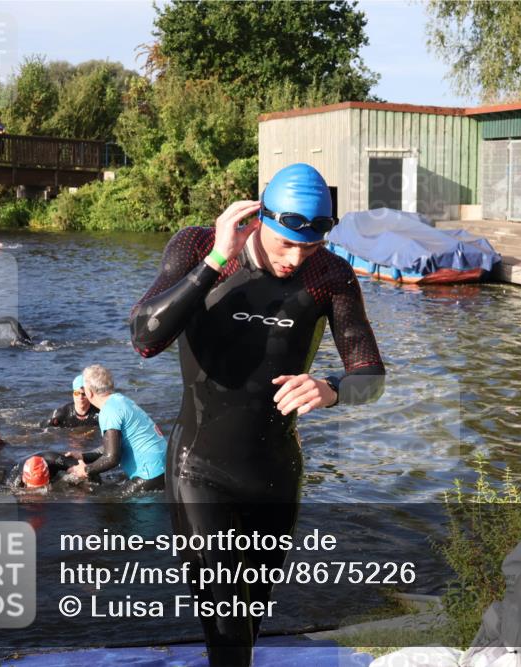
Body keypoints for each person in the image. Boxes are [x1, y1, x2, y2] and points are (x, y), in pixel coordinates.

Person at [130, 163, 385, 666]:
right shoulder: (197, 246)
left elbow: (371, 375)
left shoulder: (328, 275)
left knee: (250, 610)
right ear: (260, 217)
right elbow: (145, 338)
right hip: (198, 466)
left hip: (274, 472)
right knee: (222, 612)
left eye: (307, 247)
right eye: (285, 243)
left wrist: (331, 388)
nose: (294, 259)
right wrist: (215, 259)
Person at [65, 365, 166, 495]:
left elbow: (112, 458)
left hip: (150, 474)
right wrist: (83, 456)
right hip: (165, 466)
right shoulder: (121, 400)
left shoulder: (108, 411)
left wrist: (85, 470)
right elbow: (113, 446)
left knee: (110, 503)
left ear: (89, 392)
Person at [4, 452, 94, 491]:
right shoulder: (14, 479)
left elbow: (83, 469)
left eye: (43, 487)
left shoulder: (55, 460)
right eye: (34, 488)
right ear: (24, 480)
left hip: (51, 458)